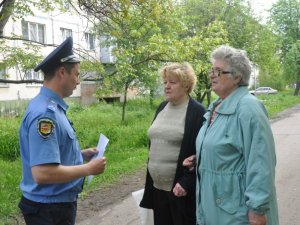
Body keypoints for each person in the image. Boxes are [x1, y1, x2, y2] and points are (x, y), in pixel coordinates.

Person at [183, 45, 279, 225]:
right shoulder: (216, 107)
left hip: (237, 214)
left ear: (237, 77)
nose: (211, 75)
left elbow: (261, 161)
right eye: (212, 70)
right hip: (214, 208)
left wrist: (257, 209)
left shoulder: (248, 108)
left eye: (218, 71)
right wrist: (202, 158)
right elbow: (228, 148)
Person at [18, 37, 107, 225]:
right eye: (76, 74)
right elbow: (43, 173)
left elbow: (50, 153)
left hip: (53, 207)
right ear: (61, 72)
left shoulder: (51, 107)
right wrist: (88, 169)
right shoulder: (45, 114)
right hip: (49, 211)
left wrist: (80, 155)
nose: (78, 81)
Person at [140, 62, 206, 225]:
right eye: (165, 82)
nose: (167, 87)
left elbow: (202, 153)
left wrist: (186, 182)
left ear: (186, 85)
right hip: (157, 188)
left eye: (172, 82)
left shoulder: (197, 112)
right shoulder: (162, 107)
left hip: (180, 190)